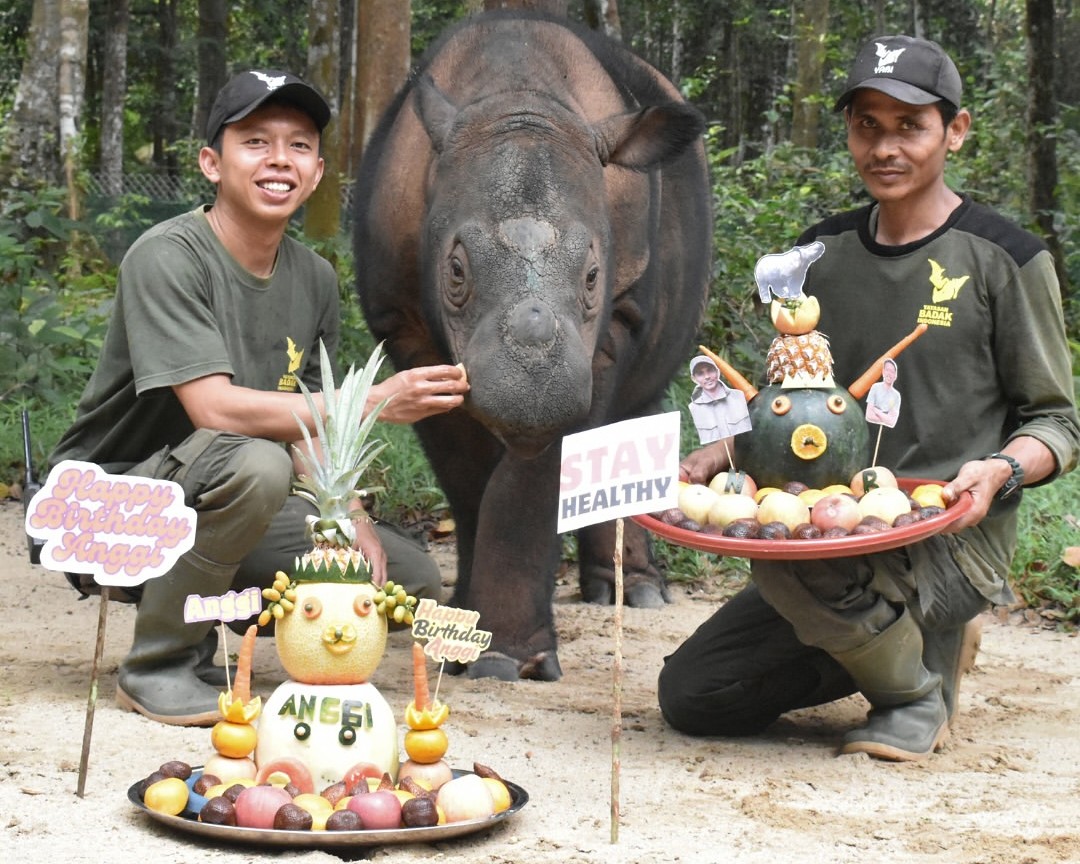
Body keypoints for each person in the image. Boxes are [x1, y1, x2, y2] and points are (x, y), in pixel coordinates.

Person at [658, 36, 1079, 761]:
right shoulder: (818, 257)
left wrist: (1001, 471)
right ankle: (905, 643)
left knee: (792, 566)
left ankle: (913, 696)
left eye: (910, 126)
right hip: (833, 527)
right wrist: (718, 454)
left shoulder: (1005, 259)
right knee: (696, 695)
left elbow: (1058, 421)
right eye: (867, 125)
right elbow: (793, 409)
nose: (885, 147)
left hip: (947, 535)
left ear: (955, 130)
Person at [51, 69, 470, 726]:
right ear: (211, 164)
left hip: (225, 493)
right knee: (256, 462)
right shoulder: (166, 256)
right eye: (255, 142)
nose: (279, 159)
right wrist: (368, 402)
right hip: (112, 499)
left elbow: (306, 423)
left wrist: (351, 518)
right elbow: (215, 411)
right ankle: (159, 664)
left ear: (317, 171)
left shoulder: (315, 278)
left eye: (299, 145)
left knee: (401, 576)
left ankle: (216, 608)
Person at [687, 355, 752, 444]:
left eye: (710, 370)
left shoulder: (739, 396)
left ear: (718, 372)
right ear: (694, 379)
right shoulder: (693, 408)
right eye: (700, 374)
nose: (707, 376)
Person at [865, 357, 901, 427]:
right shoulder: (875, 387)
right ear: (883, 372)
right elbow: (869, 415)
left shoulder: (896, 395)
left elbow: (892, 422)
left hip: (886, 431)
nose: (889, 374)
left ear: (895, 376)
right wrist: (887, 418)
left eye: (892, 371)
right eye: (887, 370)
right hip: (869, 427)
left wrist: (876, 411)